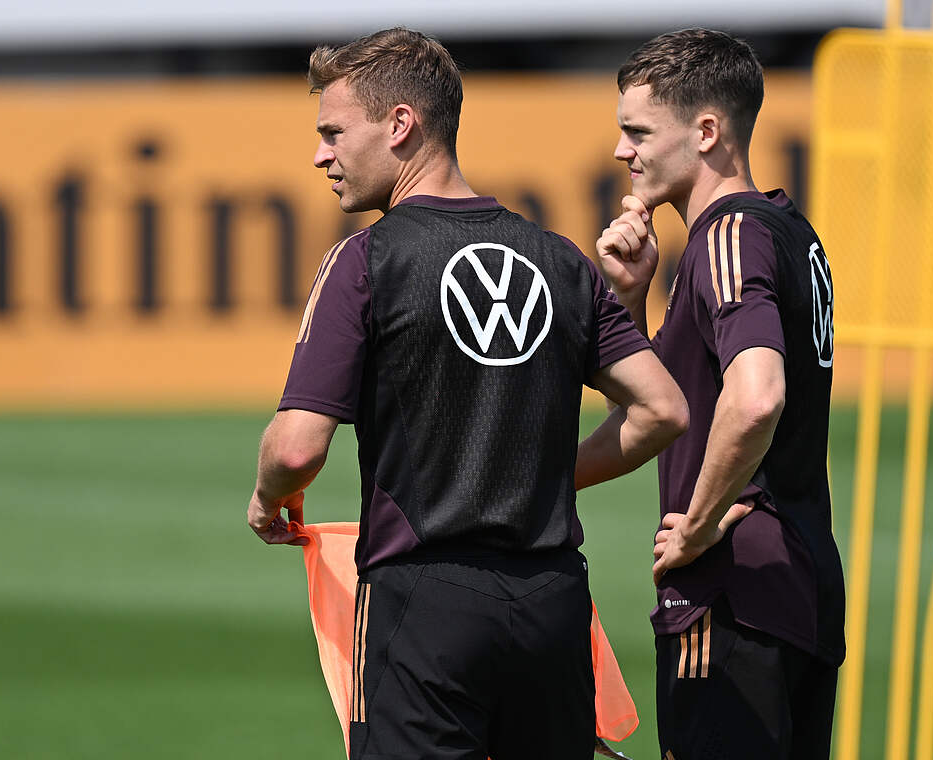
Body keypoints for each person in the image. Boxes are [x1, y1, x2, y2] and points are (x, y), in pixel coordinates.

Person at [246, 28, 688, 760]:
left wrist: (267, 495)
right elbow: (662, 409)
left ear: (399, 126)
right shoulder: (559, 259)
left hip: (424, 604)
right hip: (552, 602)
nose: (320, 155)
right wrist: (547, 476)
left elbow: (297, 448)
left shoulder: (366, 262)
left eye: (332, 132)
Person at [592, 28, 845, 759]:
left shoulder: (726, 235)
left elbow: (757, 395)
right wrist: (632, 304)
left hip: (736, 592)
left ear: (707, 131)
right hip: (798, 582)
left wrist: (698, 523)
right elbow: (658, 416)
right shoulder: (785, 228)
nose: (621, 151)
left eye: (637, 131)